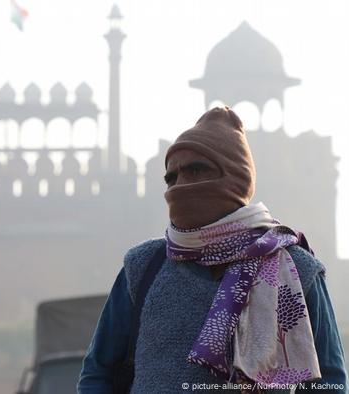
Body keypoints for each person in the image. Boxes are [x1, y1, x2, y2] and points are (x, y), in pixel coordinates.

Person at [77, 107, 347, 393]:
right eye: (171, 178)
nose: (180, 186)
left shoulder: (293, 269)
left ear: (233, 177)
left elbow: (329, 381)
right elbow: (98, 371)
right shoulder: (145, 266)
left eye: (195, 170)